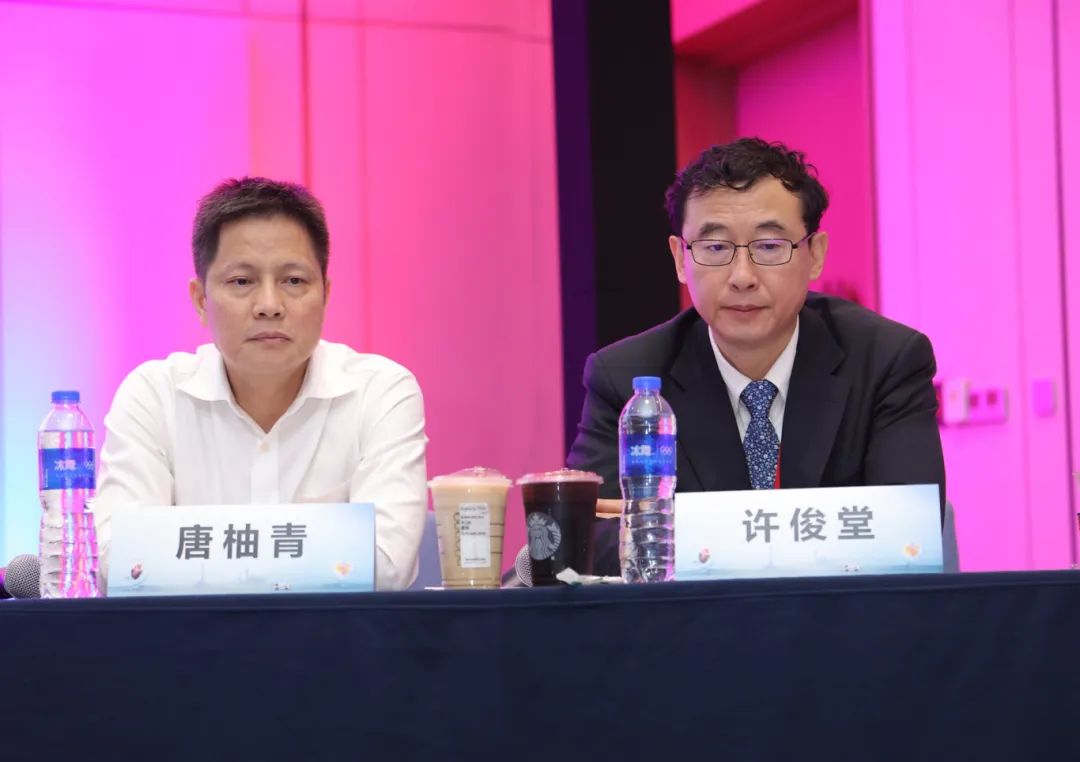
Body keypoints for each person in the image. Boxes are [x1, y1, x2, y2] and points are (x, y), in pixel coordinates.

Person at [567, 138, 945, 575]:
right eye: (715, 248)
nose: (742, 277)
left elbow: (906, 533)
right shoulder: (626, 377)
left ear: (815, 254)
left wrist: (692, 535)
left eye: (769, 246)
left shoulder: (886, 362)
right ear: (679, 259)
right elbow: (586, 537)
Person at [94, 178, 428, 590]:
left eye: (293, 281)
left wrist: (191, 562)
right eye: (241, 281)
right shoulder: (152, 396)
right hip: (189, 635)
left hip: (335, 635)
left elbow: (386, 567)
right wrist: (326, 553)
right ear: (201, 300)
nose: (269, 305)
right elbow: (121, 564)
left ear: (325, 294)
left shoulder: (380, 393)